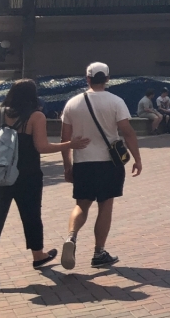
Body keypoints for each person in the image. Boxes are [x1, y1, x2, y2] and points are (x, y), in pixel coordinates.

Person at [0, 80, 90, 286]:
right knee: (32, 216)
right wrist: (71, 144)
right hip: (27, 175)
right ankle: (38, 255)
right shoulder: (36, 116)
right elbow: (42, 147)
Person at [59, 62, 143, 270]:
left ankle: (71, 237)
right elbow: (127, 132)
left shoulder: (73, 103)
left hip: (83, 162)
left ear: (87, 78)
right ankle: (99, 252)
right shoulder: (115, 102)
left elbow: (64, 138)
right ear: (106, 78)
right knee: (105, 205)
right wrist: (137, 159)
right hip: (109, 163)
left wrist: (67, 166)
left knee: (82, 204)